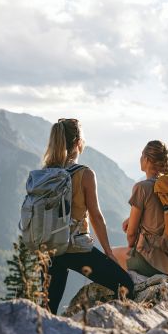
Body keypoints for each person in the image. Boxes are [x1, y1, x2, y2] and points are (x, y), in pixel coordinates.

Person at [44, 118, 135, 314]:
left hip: (51, 250)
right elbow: (96, 217)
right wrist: (108, 253)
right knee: (127, 286)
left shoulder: (46, 173)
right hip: (76, 249)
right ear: (78, 142)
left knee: (47, 309)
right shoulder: (84, 174)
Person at [112, 140, 168, 276]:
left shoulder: (142, 188)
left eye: (141, 155)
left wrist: (132, 247)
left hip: (153, 262)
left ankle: (127, 293)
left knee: (109, 254)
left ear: (146, 159)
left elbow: (131, 234)